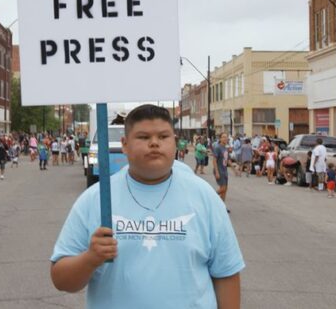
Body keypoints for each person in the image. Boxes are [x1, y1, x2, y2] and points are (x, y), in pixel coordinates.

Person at [50, 104, 244, 308]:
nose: (154, 143)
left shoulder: (205, 197)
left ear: (175, 143)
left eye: (163, 137)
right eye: (143, 137)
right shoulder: (96, 199)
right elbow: (60, 279)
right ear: (125, 144)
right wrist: (90, 259)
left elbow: (226, 273)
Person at [213, 132, 231, 210]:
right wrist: (217, 172)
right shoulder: (217, 147)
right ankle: (210, 197)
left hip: (224, 170)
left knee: (225, 189)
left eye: (226, 137)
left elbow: (227, 160)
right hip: (219, 170)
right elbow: (214, 160)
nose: (225, 138)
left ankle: (221, 207)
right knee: (223, 188)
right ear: (220, 138)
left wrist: (235, 169)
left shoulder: (225, 148)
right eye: (223, 137)